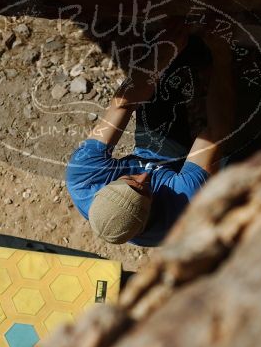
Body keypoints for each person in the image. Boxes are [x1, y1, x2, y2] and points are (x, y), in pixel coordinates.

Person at [66, 33, 235, 246]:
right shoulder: (181, 205)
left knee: (160, 76)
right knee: (242, 139)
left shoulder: (84, 176)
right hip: (187, 187)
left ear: (103, 188)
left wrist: (169, 46)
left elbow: (122, 105)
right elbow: (215, 132)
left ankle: (191, 45)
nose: (145, 175)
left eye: (130, 179)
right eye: (145, 190)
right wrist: (222, 56)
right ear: (148, 214)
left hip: (157, 153)